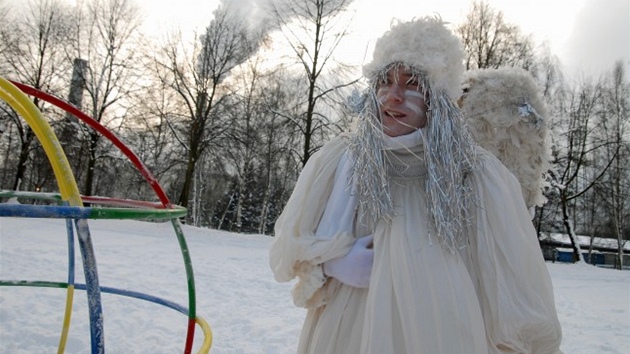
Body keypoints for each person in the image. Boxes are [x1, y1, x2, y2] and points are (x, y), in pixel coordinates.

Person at [269, 16, 563, 354]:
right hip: (348, 327)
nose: (394, 96)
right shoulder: (340, 160)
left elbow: (507, 277)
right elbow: (294, 245)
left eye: (412, 83)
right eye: (385, 82)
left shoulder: (475, 173)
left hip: (443, 328)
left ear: (437, 96)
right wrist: (333, 263)